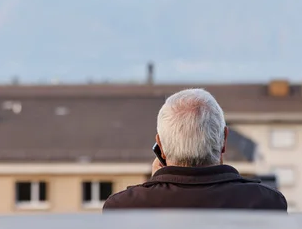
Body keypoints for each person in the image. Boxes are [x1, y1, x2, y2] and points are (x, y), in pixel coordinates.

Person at [102, 88, 287, 211]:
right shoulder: (266, 203)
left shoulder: (123, 207)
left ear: (161, 147)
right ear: (223, 141)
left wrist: (155, 186)